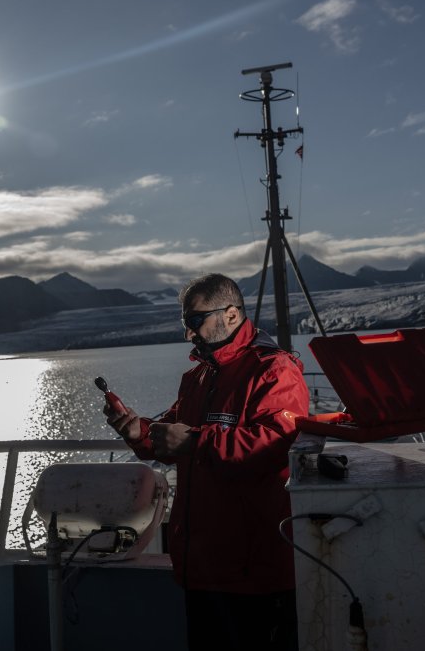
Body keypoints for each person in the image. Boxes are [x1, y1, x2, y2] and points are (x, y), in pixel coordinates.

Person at [104, 273, 308, 651]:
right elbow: (172, 435)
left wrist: (196, 441)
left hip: (255, 572)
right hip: (203, 567)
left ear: (231, 315)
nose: (189, 334)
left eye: (195, 321)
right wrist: (137, 432)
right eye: (186, 324)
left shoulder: (274, 369)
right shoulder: (198, 377)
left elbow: (276, 445)